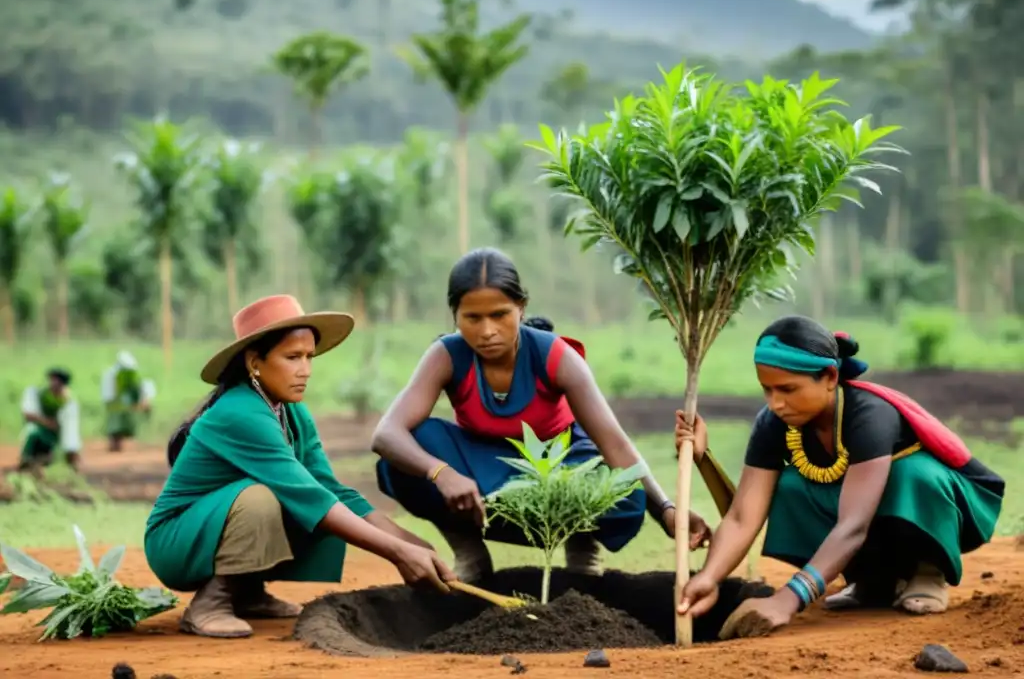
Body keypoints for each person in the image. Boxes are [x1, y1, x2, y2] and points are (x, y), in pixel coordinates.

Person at [372, 247, 711, 583]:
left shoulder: (556, 356)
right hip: (482, 470)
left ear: (521, 308)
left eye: (500, 314)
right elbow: (386, 433)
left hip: (561, 467)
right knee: (409, 449)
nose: (487, 330)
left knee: (625, 492)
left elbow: (616, 446)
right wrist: (441, 473)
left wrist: (666, 509)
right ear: (455, 315)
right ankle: (468, 550)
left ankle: (583, 545)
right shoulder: (447, 354)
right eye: (472, 318)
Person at [145, 295, 454, 640]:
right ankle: (210, 604)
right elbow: (310, 498)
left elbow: (330, 489)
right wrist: (397, 554)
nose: (305, 369)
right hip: (176, 542)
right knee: (262, 499)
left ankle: (246, 592)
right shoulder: (239, 412)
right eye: (292, 357)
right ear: (253, 362)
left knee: (305, 498)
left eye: (309, 357)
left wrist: (410, 542)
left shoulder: (291, 412)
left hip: (215, 528)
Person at [676, 315, 1005, 640]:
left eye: (788, 389)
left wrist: (787, 600)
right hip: (861, 512)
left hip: (939, 506)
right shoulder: (773, 423)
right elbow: (741, 517)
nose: (775, 403)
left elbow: (853, 525)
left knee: (912, 474)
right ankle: (872, 580)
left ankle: (927, 572)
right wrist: (710, 577)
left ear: (830, 376)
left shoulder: (869, 415)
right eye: (767, 389)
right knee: (790, 486)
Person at [18, 368, 81, 473]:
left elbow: (71, 433)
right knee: (32, 432)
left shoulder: (68, 403)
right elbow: (28, 414)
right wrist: (46, 422)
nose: (54, 384)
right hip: (41, 431)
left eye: (57, 381)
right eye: (52, 380)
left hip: (56, 435)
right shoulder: (40, 394)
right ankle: (26, 460)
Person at [101, 350, 156, 452]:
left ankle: (118, 442)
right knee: (115, 423)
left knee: (121, 423)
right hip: (116, 403)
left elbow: (141, 387)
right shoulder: (111, 373)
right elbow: (109, 392)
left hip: (123, 403)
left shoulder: (132, 374)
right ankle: (115, 443)